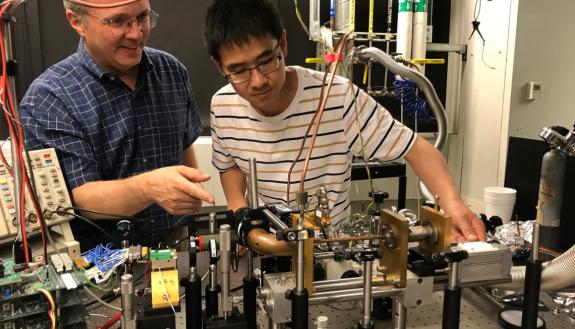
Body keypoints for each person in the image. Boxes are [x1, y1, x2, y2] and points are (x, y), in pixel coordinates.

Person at [204, 0, 485, 242]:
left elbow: (418, 149)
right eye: (239, 71)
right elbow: (230, 164)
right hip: (265, 242)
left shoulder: (336, 96)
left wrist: (453, 205)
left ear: (284, 44)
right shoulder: (223, 104)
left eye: (267, 61)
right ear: (219, 65)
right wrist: (239, 213)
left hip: (331, 251)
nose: (257, 80)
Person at [19, 0, 214, 246]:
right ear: (76, 21)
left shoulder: (171, 71)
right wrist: (149, 187)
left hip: (175, 247)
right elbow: (82, 199)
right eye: (118, 21)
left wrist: (191, 202)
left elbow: (185, 151)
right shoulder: (50, 97)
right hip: (99, 265)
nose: (136, 33)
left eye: (142, 17)